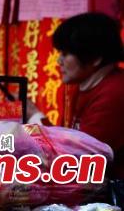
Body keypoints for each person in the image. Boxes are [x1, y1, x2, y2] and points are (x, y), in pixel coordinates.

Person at [34, 13, 124, 181]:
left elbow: (76, 157)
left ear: (95, 58)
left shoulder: (115, 92)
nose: (59, 61)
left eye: (66, 53)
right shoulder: (83, 84)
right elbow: (68, 143)